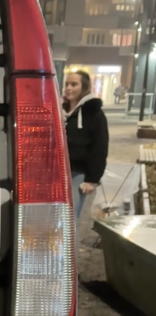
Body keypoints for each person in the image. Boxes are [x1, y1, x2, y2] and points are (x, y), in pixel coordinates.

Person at [62, 70, 109, 220]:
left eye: (74, 84)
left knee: (70, 217)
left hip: (78, 172)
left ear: (84, 87)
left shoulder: (94, 113)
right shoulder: (61, 111)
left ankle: (71, 244)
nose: (69, 88)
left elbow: (100, 147)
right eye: (67, 84)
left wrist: (92, 179)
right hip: (58, 172)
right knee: (57, 217)